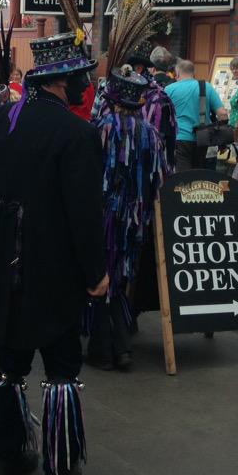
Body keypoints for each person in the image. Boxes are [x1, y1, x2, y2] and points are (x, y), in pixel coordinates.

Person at [0, 30, 107, 475]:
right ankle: (59, 468)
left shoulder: (2, 119)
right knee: (62, 367)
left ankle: (5, 460)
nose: (86, 84)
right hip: (53, 269)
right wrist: (96, 273)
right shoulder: (78, 133)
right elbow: (85, 215)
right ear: (63, 81)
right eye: (80, 77)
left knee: (6, 365)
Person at [87, 71, 162, 371]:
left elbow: (92, 174)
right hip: (135, 218)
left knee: (101, 277)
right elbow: (158, 178)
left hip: (106, 214)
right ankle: (119, 344)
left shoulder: (103, 128)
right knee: (119, 277)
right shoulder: (151, 134)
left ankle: (107, 348)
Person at [164, 59, 227, 172]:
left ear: (177, 73)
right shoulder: (206, 87)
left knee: (183, 177)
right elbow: (222, 114)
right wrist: (222, 139)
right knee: (198, 174)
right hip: (202, 138)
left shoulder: (169, 89)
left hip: (179, 137)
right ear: (194, 73)